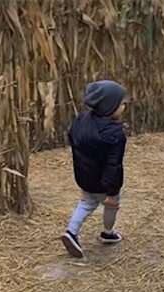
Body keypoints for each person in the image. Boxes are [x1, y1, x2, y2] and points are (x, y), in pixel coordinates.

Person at [61, 80, 127, 258]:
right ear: (109, 107)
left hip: (85, 178)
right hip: (105, 185)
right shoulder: (115, 134)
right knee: (112, 207)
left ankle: (71, 231)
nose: (124, 106)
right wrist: (112, 192)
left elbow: (71, 137)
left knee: (86, 204)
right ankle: (108, 233)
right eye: (121, 104)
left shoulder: (80, 121)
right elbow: (114, 164)